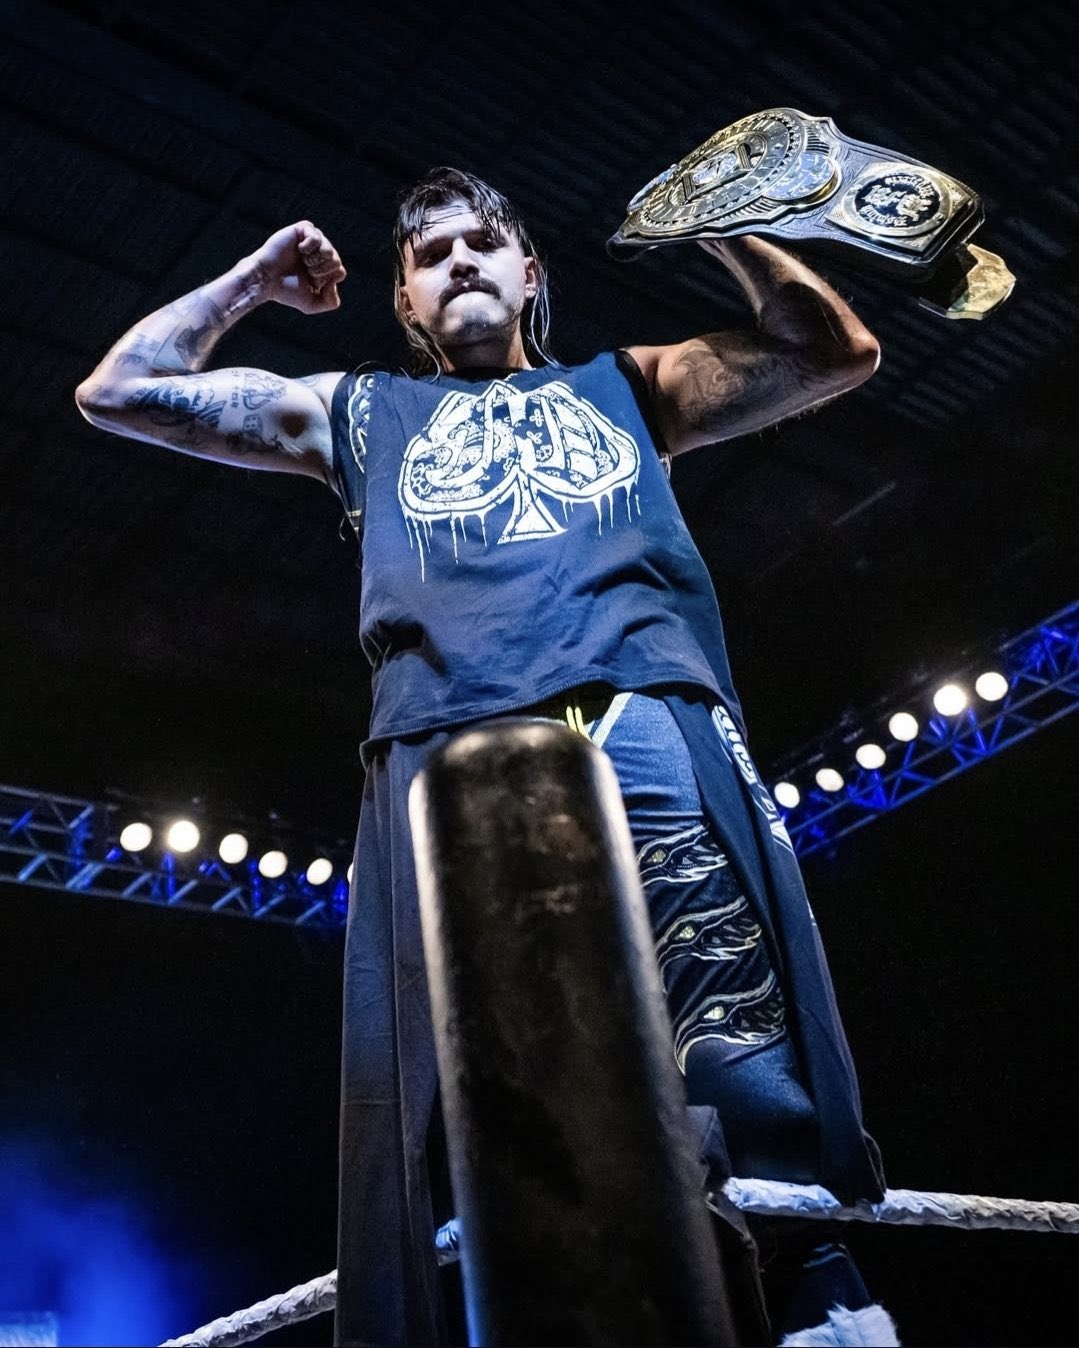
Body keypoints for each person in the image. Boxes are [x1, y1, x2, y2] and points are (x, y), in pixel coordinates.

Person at [76, 166, 895, 1347]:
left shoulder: (631, 384)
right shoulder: (355, 413)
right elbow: (119, 391)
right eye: (428, 254)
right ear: (404, 301)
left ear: (529, 275)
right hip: (459, 761)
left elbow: (831, 351)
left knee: (730, 1033)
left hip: (637, 713)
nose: (458, 259)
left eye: (481, 242)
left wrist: (728, 225)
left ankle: (818, 1300)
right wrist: (254, 282)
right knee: (511, 1095)